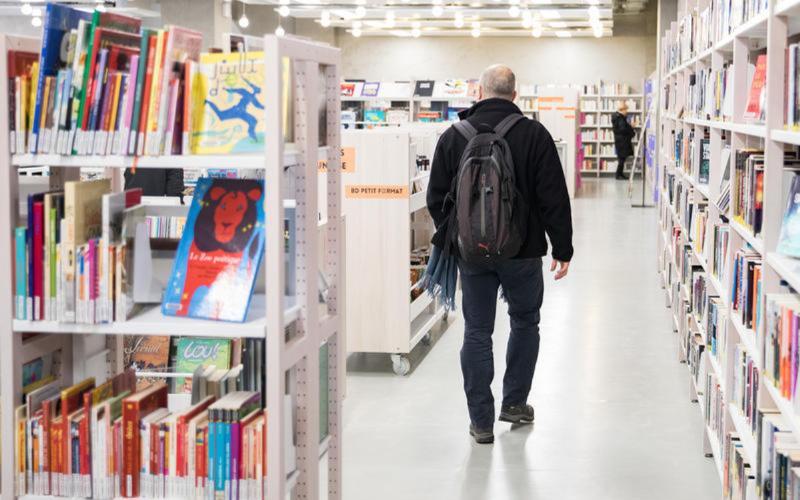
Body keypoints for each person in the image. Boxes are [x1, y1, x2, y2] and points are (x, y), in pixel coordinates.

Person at [426, 64, 573, 445]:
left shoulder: (453, 136)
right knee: (525, 322)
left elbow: (435, 198)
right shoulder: (535, 135)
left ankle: (481, 422)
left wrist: (460, 235)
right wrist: (563, 247)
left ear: (479, 90)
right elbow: (553, 196)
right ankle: (515, 402)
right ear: (515, 93)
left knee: (477, 330)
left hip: (472, 255)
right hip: (523, 252)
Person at [611, 102, 635, 180]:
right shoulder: (620, 118)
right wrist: (631, 127)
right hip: (622, 142)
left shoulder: (617, 117)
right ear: (623, 110)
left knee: (621, 158)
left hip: (620, 141)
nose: (627, 112)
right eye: (626, 110)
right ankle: (618, 175)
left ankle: (620, 174)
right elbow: (623, 129)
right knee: (622, 159)